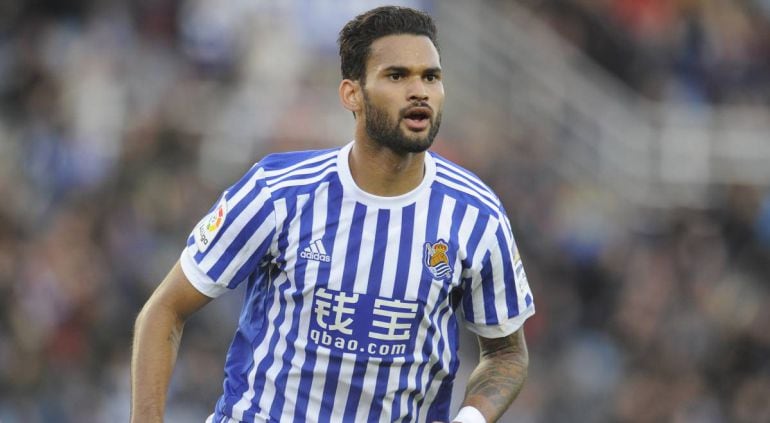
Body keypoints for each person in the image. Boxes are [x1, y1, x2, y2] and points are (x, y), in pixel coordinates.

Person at [131, 6, 535, 423]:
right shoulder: (279, 191)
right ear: (351, 94)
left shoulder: (476, 215)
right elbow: (165, 310)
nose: (420, 91)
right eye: (397, 76)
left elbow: (506, 353)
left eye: (430, 76)